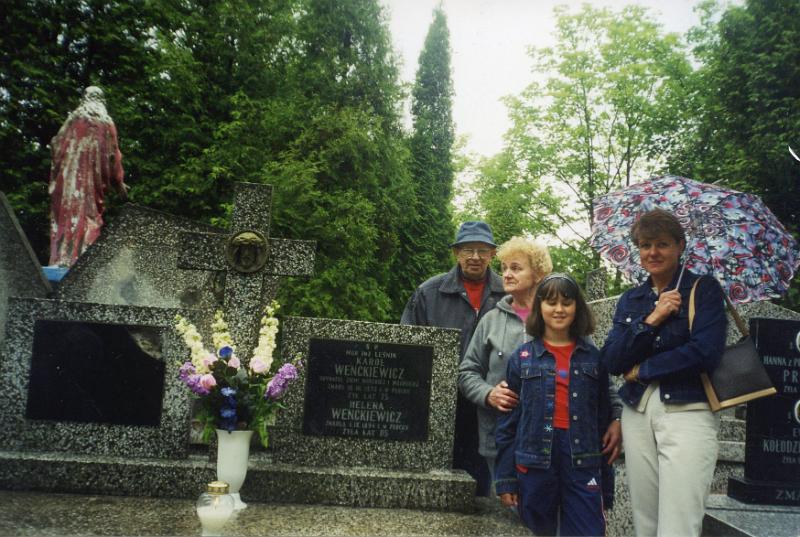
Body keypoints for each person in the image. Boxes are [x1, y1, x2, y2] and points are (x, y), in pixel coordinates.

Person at [599, 208, 727, 537]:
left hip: (687, 410)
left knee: (680, 520)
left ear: (680, 246)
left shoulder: (704, 289)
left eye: (662, 244)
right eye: (644, 245)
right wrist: (652, 319)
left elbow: (705, 351)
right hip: (637, 412)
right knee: (646, 520)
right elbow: (612, 360)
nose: (652, 252)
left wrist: (644, 369)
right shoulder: (633, 299)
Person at [494, 273, 622, 536]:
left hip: (582, 459)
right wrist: (506, 478)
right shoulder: (523, 358)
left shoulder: (594, 358)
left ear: (578, 308)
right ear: (539, 308)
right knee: (535, 530)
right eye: (551, 302)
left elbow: (603, 415)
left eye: (567, 302)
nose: (559, 309)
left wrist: (617, 422)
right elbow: (509, 422)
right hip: (535, 461)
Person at [401, 220, 505, 495]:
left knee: (483, 486)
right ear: (456, 253)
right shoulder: (429, 292)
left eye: (482, 250)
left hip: (489, 402)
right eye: (468, 249)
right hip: (438, 404)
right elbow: (407, 345)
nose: (475, 257)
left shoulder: (508, 294)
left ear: (493, 254)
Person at [458, 236, 552, 483]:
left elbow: (592, 368)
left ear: (539, 274)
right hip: (498, 441)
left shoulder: (558, 316)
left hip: (548, 442)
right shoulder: (491, 320)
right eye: (505, 268)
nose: (507, 274)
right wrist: (488, 394)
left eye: (516, 268)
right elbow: (467, 372)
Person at [49, 86, 128, 267]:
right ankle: (84, 263)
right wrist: (119, 183)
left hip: (69, 183)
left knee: (67, 216)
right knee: (90, 217)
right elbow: (113, 156)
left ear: (84, 99)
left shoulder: (73, 120)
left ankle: (62, 258)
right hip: (92, 184)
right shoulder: (107, 123)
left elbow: (56, 145)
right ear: (101, 101)